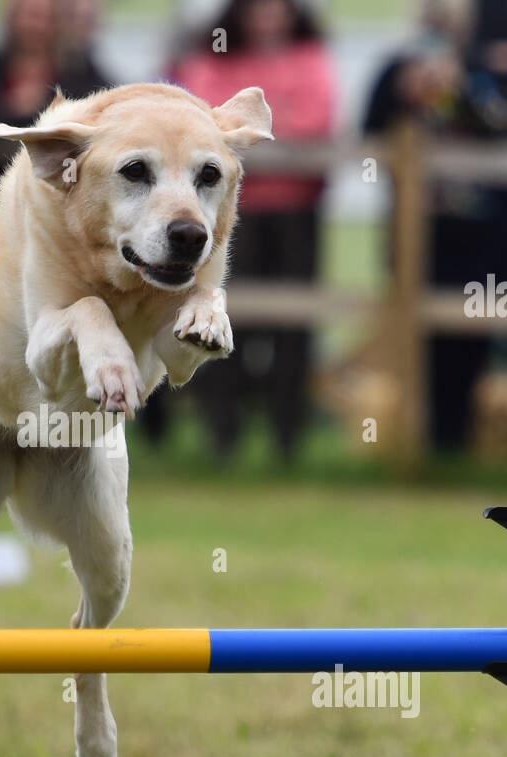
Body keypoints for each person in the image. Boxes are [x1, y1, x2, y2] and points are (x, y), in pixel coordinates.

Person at [170, 0, 336, 457]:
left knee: (294, 326)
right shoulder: (211, 55)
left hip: (293, 212)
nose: (267, 14)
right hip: (224, 217)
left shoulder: (310, 56)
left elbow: (317, 119)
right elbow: (200, 121)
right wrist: (276, 119)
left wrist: (244, 135)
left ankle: (288, 437)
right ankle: (222, 434)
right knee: (215, 313)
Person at [0, 0, 111, 222]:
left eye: (42, 17)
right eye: (27, 15)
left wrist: (33, 106)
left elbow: (97, 108)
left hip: (61, 206)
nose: (33, 25)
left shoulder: (78, 70)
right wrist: (34, 110)